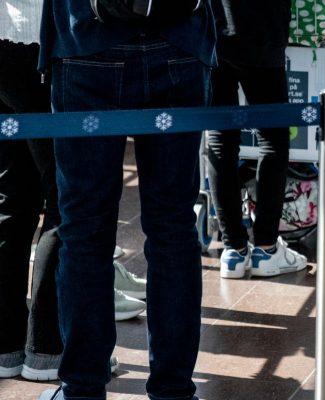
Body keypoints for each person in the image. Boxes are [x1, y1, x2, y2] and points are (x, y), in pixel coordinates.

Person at [36, 0, 215, 398]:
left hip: (85, 40)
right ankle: (173, 390)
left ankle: (81, 388)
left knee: (84, 228)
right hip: (180, 40)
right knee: (173, 226)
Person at [0, 0, 146, 384]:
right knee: (63, 202)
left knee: (13, 197)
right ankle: (49, 348)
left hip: (6, 41)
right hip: (42, 43)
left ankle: (7, 346)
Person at [207, 0, 308, 279]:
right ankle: (266, 247)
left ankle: (233, 250)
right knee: (273, 137)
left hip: (213, 29)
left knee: (219, 140)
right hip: (261, 29)